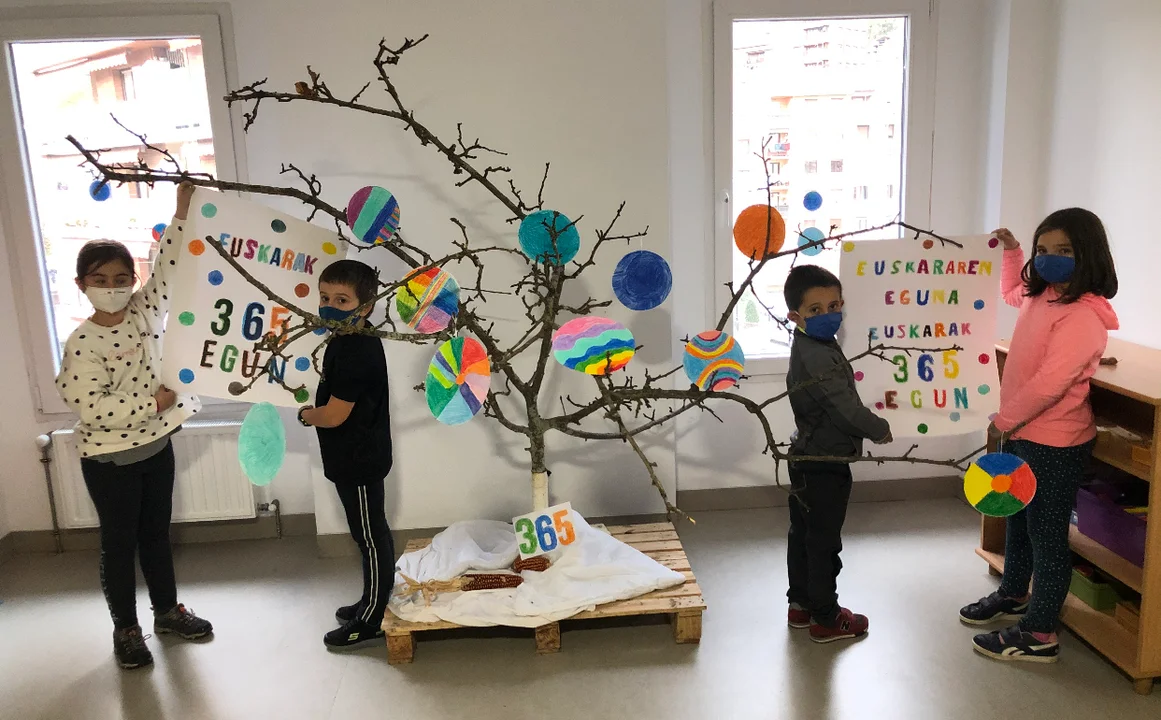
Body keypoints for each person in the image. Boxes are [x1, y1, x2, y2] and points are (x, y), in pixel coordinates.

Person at [55, 181, 212, 670]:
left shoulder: (143, 311)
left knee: (156, 536)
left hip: (156, 446)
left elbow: (169, 267)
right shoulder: (81, 343)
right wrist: (153, 402)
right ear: (82, 284)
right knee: (119, 545)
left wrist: (182, 213)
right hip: (109, 460)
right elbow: (91, 406)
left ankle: (167, 612)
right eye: (100, 279)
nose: (113, 286)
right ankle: (125, 629)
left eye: (122, 277)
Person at [962, 209, 1118, 663]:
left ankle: (1040, 633)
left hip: (1055, 441)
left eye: (1064, 250)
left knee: (1046, 535)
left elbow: (1051, 383)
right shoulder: (1043, 294)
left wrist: (1004, 419)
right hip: (1024, 432)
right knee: (1016, 515)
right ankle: (1014, 593)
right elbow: (1012, 291)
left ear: (1088, 254)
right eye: (1043, 250)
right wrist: (1012, 253)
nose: (1050, 259)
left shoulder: (1083, 317)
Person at [783, 264, 892, 643]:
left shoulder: (813, 345)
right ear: (795, 316)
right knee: (824, 541)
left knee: (803, 535)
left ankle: (801, 605)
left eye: (834, 306)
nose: (828, 315)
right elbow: (843, 407)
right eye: (815, 310)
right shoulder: (817, 355)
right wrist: (878, 428)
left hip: (806, 455)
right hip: (824, 463)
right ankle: (826, 618)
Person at [296, 259, 395, 650]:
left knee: (370, 537)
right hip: (351, 455)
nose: (329, 306)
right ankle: (370, 600)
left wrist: (306, 415)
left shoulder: (355, 349)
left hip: (359, 458)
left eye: (342, 300)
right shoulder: (346, 338)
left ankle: (371, 618)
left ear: (365, 306)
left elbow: (335, 415)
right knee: (366, 534)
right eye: (324, 298)